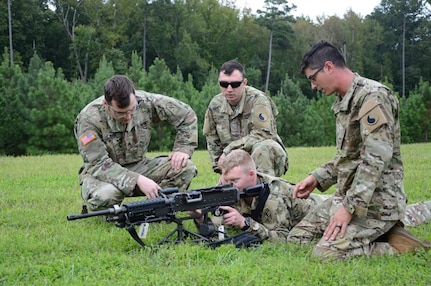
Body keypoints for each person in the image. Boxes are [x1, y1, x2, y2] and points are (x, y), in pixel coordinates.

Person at [285, 40, 429, 259]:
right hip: (346, 196)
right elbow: (348, 157)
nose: (313, 86)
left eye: (313, 78)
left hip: (376, 204)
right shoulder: (345, 101)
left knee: (325, 254)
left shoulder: (373, 97)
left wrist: (348, 209)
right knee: (297, 238)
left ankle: (402, 246)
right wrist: (316, 178)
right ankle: (382, 235)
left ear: (329, 67)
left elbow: (376, 159)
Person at [196, 149, 431, 246]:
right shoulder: (233, 188)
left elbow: (281, 237)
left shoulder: (274, 195)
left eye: (234, 182)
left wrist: (246, 223)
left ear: (251, 174)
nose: (228, 187)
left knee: (405, 215)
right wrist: (200, 215)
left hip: (322, 210)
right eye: (225, 182)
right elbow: (217, 221)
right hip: (315, 213)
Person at [74, 75, 198, 211]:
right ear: (106, 104)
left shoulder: (146, 101)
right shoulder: (89, 119)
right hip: (103, 174)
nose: (128, 117)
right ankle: (114, 214)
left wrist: (182, 148)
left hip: (140, 165)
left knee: (185, 168)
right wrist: (137, 180)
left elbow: (187, 115)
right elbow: (97, 164)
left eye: (132, 110)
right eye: (120, 113)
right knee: (105, 195)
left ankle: (157, 209)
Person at [203, 60, 288, 177]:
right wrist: (220, 167)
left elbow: (263, 134)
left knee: (263, 148)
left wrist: (229, 151)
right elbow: (212, 138)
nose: (229, 89)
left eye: (235, 84)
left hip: (265, 157)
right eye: (224, 84)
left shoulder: (258, 100)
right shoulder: (215, 104)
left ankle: (265, 190)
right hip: (234, 162)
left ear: (244, 83)